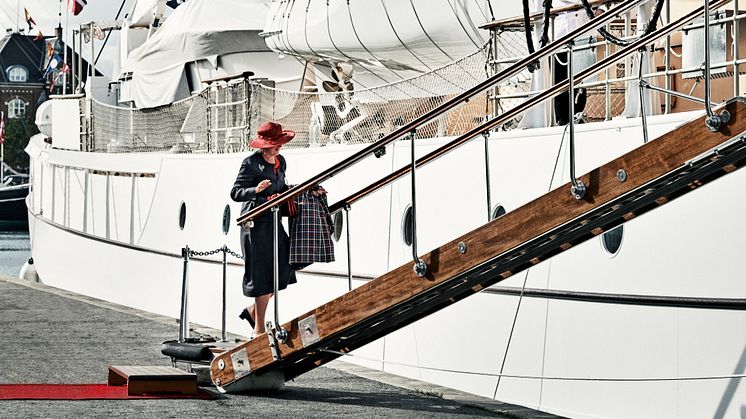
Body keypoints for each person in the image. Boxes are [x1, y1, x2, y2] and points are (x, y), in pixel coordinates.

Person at [230, 121, 297, 338]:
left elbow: (282, 188)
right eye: (276, 144)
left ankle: (253, 312)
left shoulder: (281, 162)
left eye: (280, 143)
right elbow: (236, 193)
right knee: (261, 274)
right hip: (255, 223)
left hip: (274, 220)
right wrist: (255, 190)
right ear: (264, 145)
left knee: (283, 266)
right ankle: (259, 329)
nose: (280, 148)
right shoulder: (250, 163)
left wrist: (305, 191)